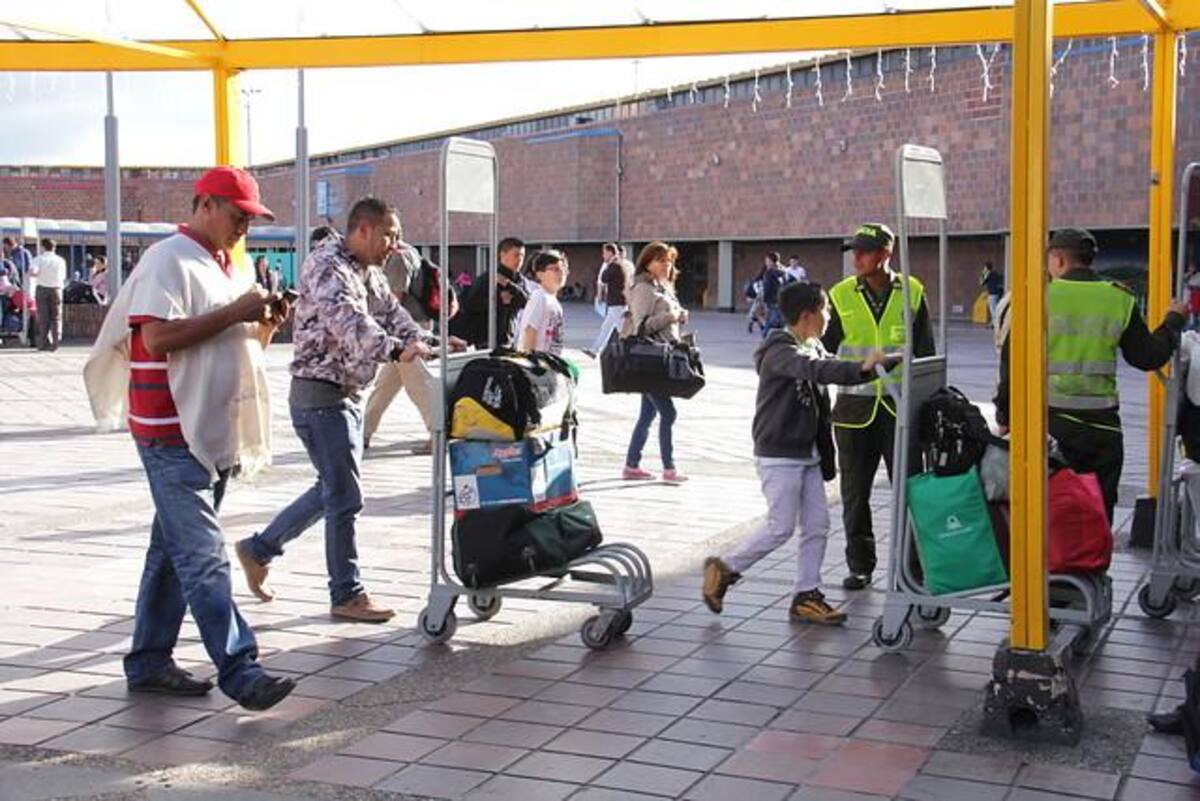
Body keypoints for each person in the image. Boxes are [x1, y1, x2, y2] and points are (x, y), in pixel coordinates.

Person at [82, 166, 294, 711]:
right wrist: (237, 310)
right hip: (171, 432)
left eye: (251, 219)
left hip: (207, 429)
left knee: (172, 552)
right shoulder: (169, 259)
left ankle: (149, 662)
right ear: (205, 205)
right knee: (204, 557)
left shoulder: (225, 264)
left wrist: (265, 323)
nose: (244, 227)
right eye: (238, 215)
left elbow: (235, 346)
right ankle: (241, 670)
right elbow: (157, 337)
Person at [236, 198, 437, 623]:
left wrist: (424, 339)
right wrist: (396, 350)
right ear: (363, 230)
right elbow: (351, 324)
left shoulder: (367, 269)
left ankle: (259, 549)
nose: (394, 245)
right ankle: (346, 593)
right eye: (389, 235)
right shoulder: (328, 266)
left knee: (332, 489)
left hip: (345, 393)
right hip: (320, 395)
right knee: (345, 496)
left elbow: (390, 311)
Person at [703, 283, 892, 622]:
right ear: (808, 315)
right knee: (780, 527)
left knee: (817, 525)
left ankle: (807, 595)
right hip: (780, 453)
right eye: (826, 310)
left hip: (807, 453)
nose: (829, 316)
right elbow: (816, 369)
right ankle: (725, 568)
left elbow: (829, 364)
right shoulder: (781, 351)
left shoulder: (812, 346)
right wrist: (862, 368)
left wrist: (877, 364)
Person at [994, 228, 1186, 522]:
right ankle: (1097, 552)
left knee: (1049, 512)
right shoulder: (1118, 298)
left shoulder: (1036, 299)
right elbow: (1147, 356)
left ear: (1058, 259)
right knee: (1098, 513)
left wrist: (1005, 417)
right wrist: (1173, 321)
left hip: (1049, 428)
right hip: (1102, 431)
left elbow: (1012, 367)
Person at [822, 223, 935, 590]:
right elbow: (823, 350)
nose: (856, 258)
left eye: (865, 251)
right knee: (855, 495)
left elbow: (926, 353)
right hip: (853, 412)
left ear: (886, 254)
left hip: (900, 410)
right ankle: (860, 566)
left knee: (911, 492)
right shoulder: (839, 294)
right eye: (853, 251)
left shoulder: (913, 291)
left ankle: (912, 569)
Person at [363, 243, 466, 453]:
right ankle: (362, 433)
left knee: (420, 385)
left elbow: (393, 302)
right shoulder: (412, 253)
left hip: (406, 332)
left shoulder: (397, 258)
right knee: (385, 386)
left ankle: (439, 435)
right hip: (415, 328)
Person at [622, 241, 689, 483]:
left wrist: (679, 316)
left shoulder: (662, 286)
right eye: (660, 260)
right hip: (651, 360)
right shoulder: (644, 288)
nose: (666, 265)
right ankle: (669, 469)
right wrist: (671, 316)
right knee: (668, 413)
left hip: (660, 358)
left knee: (647, 415)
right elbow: (641, 327)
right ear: (647, 262)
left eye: (669, 260)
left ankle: (631, 465)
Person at [451, 237, 529, 349]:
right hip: (486, 340)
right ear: (503, 255)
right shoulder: (488, 278)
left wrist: (509, 285)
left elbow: (527, 302)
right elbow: (470, 303)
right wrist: (498, 299)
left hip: (508, 337)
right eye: (516, 255)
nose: (520, 260)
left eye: (522, 256)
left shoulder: (520, 281)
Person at [516, 249, 569, 355]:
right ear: (540, 274)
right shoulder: (539, 297)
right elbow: (530, 331)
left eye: (563, 269)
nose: (561, 273)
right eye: (555, 269)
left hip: (549, 360)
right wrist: (532, 361)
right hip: (537, 362)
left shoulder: (554, 302)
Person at [585, 242, 632, 358]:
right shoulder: (619, 264)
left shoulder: (615, 265)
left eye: (605, 253)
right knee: (606, 328)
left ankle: (630, 351)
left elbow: (604, 278)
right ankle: (594, 350)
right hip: (616, 302)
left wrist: (608, 265)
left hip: (617, 302)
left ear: (611, 253)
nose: (603, 256)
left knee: (622, 329)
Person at [760, 252, 791, 336]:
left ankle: (765, 336)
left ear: (771, 261)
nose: (766, 263)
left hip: (772, 300)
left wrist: (764, 299)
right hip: (782, 300)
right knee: (780, 321)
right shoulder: (784, 272)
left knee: (771, 321)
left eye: (767, 261)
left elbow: (767, 287)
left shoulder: (769, 273)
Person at [980, 260, 1004, 325]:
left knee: (993, 309)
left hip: (992, 294)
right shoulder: (995, 273)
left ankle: (995, 323)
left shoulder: (988, 274)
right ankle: (996, 322)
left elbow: (982, 283)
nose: (984, 268)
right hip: (997, 293)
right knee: (996, 308)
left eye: (984, 267)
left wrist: (982, 274)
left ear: (986, 267)